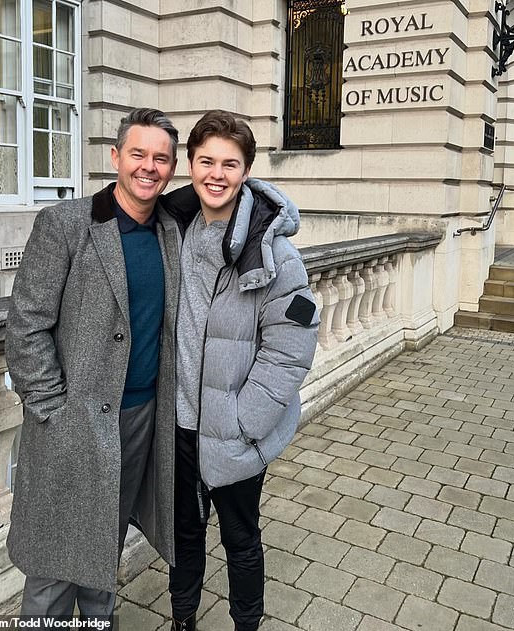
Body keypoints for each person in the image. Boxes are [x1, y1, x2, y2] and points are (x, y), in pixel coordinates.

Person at [5, 108, 180, 623]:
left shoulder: (170, 228)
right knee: (54, 563)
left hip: (141, 418)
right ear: (115, 157)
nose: (149, 167)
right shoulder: (65, 224)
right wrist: (52, 410)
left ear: (173, 169)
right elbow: (26, 325)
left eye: (162, 158)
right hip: (73, 421)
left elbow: (232, 191)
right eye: (138, 154)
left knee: (107, 543)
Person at [167, 110, 319, 631]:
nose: (216, 173)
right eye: (206, 160)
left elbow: (291, 347)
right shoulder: (172, 230)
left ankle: (246, 624)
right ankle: (182, 620)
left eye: (230, 163)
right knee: (184, 535)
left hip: (233, 430)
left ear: (247, 170)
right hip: (179, 425)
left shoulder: (274, 251)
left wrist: (243, 420)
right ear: (189, 164)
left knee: (240, 537)